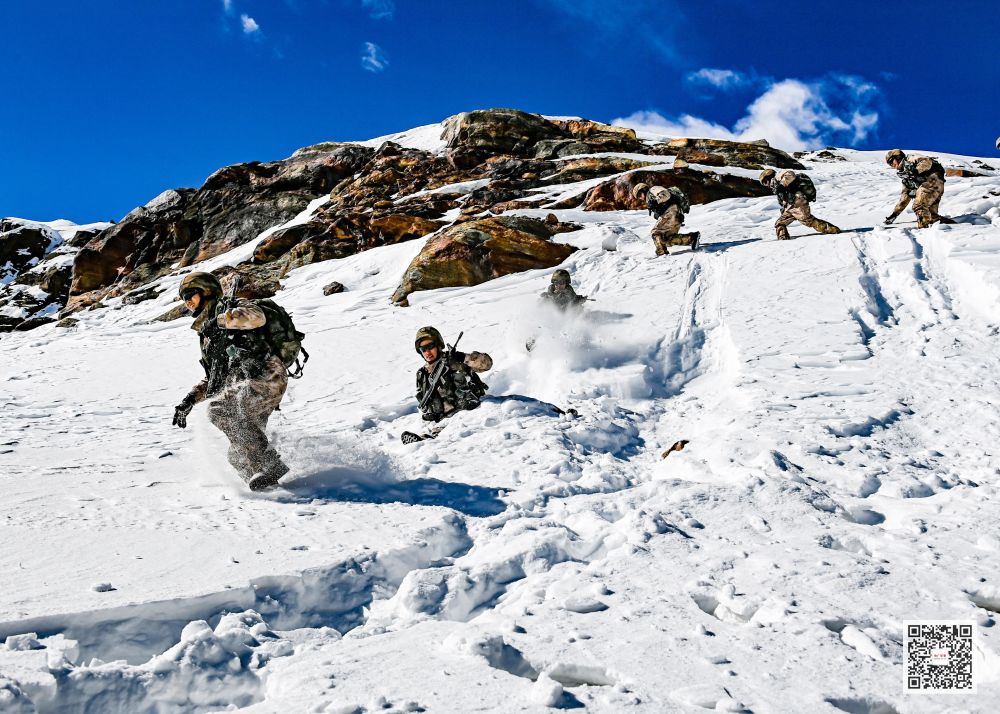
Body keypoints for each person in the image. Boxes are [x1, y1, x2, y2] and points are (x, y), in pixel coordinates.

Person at [171, 271, 290, 490]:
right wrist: (190, 398)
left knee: (220, 410)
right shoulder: (207, 335)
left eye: (191, 294)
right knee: (237, 456)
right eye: (184, 298)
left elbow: (257, 317)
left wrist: (220, 321)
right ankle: (267, 487)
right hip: (242, 384)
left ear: (206, 291)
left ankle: (271, 464)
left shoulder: (229, 307)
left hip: (265, 373)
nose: (187, 302)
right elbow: (215, 377)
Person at [405, 327, 491, 442]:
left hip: (470, 414)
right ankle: (423, 441)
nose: (427, 352)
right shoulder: (422, 374)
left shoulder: (454, 359)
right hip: (443, 422)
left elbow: (487, 364)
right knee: (431, 436)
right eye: (423, 349)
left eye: (430, 347)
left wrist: (464, 358)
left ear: (438, 345)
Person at [759, 169, 841, 240]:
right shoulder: (776, 187)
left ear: (769, 176)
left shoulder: (778, 176)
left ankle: (833, 230)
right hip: (791, 206)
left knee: (808, 221)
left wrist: (781, 185)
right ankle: (783, 239)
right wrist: (784, 209)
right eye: (764, 184)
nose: (767, 185)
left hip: (797, 201)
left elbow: (790, 174)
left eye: (766, 182)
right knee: (780, 223)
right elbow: (784, 199)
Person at [884, 149, 952, 228]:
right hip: (933, 188)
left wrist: (915, 171)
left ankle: (924, 232)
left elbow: (926, 161)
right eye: (889, 164)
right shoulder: (906, 177)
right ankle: (956, 228)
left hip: (933, 180)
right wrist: (894, 214)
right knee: (932, 217)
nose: (892, 165)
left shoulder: (910, 159)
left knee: (919, 205)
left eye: (891, 161)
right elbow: (904, 197)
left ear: (898, 157)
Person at [632, 183, 700, 255]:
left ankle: (662, 253)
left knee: (655, 233)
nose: (640, 198)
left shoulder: (653, 190)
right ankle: (692, 238)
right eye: (638, 197)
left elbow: (665, 194)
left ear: (643, 189)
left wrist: (656, 201)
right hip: (676, 214)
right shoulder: (650, 198)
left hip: (671, 211)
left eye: (639, 195)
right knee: (666, 239)